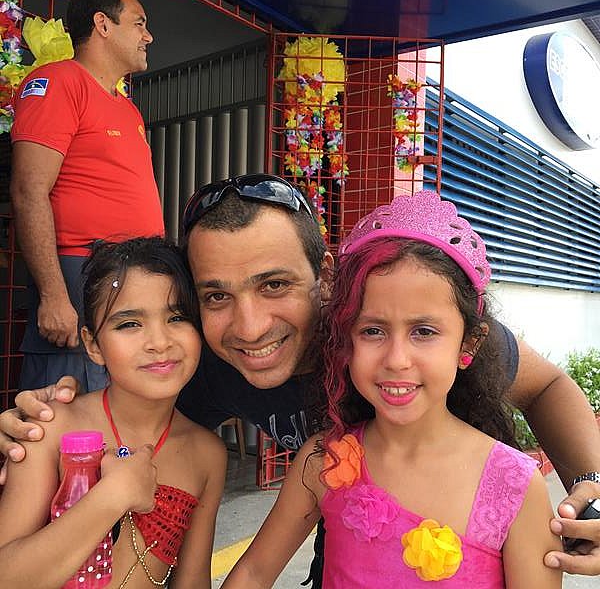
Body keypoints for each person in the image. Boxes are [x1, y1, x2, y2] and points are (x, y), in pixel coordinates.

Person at [2, 175, 600, 577]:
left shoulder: (407, 330)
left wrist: (594, 494)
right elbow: (130, 418)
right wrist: (49, 421)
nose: (250, 326)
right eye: (216, 296)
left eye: (274, 285)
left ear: (328, 276)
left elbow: (549, 387)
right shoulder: (205, 366)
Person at [221, 191, 563, 588]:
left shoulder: (515, 486)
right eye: (372, 331)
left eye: (424, 331)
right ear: (345, 340)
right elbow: (253, 573)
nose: (397, 359)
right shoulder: (323, 461)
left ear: (468, 345)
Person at [0, 237, 226, 588]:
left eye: (177, 317)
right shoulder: (51, 425)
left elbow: (193, 581)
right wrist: (114, 495)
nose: (159, 342)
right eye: (129, 324)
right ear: (93, 345)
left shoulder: (208, 454)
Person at [10, 0, 163, 392]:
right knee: (66, 409)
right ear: (102, 25)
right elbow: (28, 190)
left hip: (131, 278)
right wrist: (54, 295)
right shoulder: (58, 81)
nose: (148, 36)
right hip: (79, 275)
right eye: (139, 23)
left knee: (121, 407)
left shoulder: (128, 108)